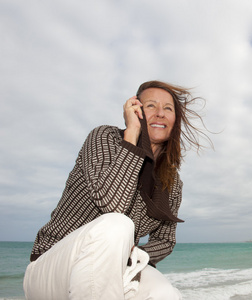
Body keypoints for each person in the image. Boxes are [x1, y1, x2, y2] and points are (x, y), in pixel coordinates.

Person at [23, 81, 209, 300]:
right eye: (151, 106)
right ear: (135, 110)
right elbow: (113, 205)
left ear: (175, 120)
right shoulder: (104, 138)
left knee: (165, 294)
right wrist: (131, 134)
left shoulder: (172, 182)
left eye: (168, 108)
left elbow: (166, 240)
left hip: (117, 268)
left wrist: (137, 254)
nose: (160, 113)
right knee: (118, 225)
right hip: (52, 268)